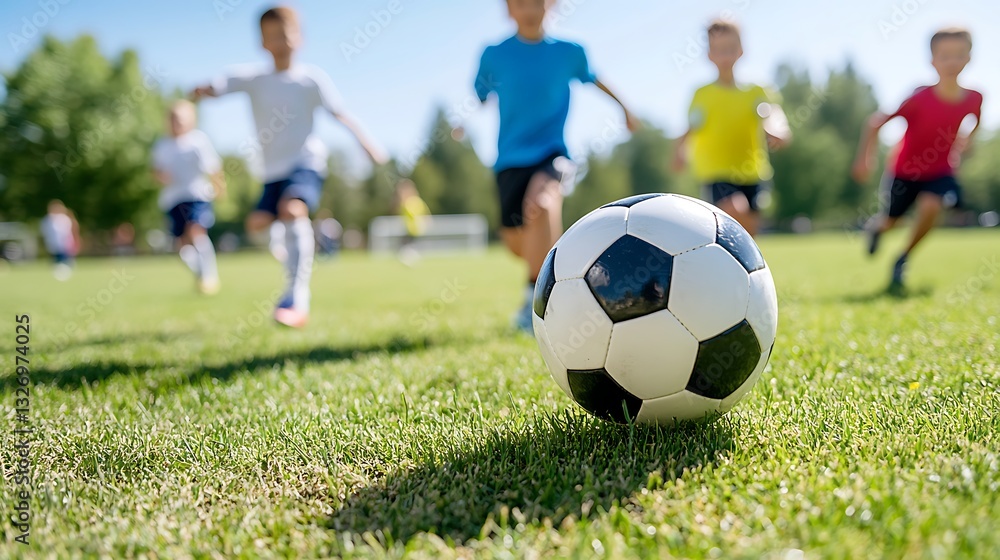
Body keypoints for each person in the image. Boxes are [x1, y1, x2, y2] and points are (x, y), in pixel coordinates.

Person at [191, 5, 386, 327]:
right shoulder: (255, 78)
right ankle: (285, 243)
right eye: (272, 36)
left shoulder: (311, 79)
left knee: (293, 210)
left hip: (305, 163)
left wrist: (366, 143)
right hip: (270, 171)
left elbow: (340, 113)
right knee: (256, 224)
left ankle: (297, 296)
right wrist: (203, 91)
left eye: (286, 34)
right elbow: (222, 83)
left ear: (300, 38)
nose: (280, 41)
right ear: (263, 43)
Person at [475, 0, 638, 334]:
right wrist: (461, 122)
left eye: (536, 2)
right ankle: (544, 273)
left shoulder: (570, 51)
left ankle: (536, 303)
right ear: (508, 9)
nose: (529, 9)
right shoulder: (494, 54)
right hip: (509, 160)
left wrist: (625, 108)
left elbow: (595, 79)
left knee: (542, 203)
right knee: (517, 244)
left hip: (553, 154)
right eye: (520, 3)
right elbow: (479, 94)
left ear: (550, 5)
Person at [852, 27, 983, 292]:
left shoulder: (974, 98)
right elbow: (876, 123)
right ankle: (877, 229)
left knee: (932, 205)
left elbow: (975, 121)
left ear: (969, 57)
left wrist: (968, 139)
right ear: (932, 60)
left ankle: (903, 258)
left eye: (959, 54)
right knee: (892, 221)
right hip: (904, 172)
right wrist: (864, 159)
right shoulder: (919, 98)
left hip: (942, 170)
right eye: (944, 56)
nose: (952, 62)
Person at [672, 19, 791, 237]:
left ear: (741, 51)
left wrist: (780, 131)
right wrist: (680, 152)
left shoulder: (756, 90)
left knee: (750, 231)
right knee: (736, 209)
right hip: (716, 172)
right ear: (709, 55)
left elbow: (772, 113)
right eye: (718, 50)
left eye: (730, 49)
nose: (725, 56)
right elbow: (691, 128)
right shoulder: (702, 94)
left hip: (753, 171)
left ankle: (746, 269)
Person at [152, 99, 225, 294]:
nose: (178, 123)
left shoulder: (198, 141)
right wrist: (161, 176)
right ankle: (200, 273)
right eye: (174, 119)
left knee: (196, 231)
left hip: (196, 195)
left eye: (181, 119)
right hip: (173, 199)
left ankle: (210, 277)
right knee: (181, 245)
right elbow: (156, 171)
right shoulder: (162, 145)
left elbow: (214, 167)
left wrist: (219, 187)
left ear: (191, 120)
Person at [391, 179, 430, 266]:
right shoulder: (417, 201)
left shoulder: (409, 202)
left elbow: (398, 209)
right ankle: (411, 258)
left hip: (413, 229)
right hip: (414, 229)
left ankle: (411, 259)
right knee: (407, 246)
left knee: (404, 246)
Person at [39, 200, 79, 280]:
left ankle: (65, 273)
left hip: (64, 244)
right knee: (55, 261)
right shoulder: (46, 220)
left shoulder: (64, 219)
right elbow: (44, 232)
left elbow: (67, 232)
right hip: (52, 244)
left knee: (65, 261)